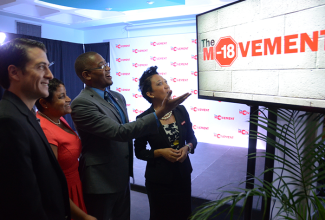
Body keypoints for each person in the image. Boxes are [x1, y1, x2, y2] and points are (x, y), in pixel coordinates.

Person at [71, 51, 191, 220]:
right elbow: (119, 132)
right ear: (86, 75)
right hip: (101, 181)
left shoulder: (117, 97)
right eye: (102, 66)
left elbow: (127, 132)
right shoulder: (81, 103)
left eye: (107, 63)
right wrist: (162, 111)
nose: (108, 68)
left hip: (122, 176)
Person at [0, 38, 70, 219]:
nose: (50, 75)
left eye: (48, 66)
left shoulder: (25, 114)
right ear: (14, 72)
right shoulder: (8, 121)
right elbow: (22, 203)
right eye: (41, 67)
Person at [134, 66, 197, 220]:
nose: (166, 85)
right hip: (159, 180)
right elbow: (139, 152)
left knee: (184, 214)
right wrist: (160, 152)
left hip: (183, 175)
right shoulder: (144, 119)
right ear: (150, 93)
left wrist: (187, 148)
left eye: (166, 82)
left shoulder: (181, 110)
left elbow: (192, 138)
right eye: (160, 83)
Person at [35, 78, 97, 220]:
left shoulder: (57, 118)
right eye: (62, 96)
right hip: (64, 192)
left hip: (75, 185)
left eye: (66, 94)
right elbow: (51, 183)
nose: (69, 99)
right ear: (44, 103)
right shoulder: (46, 131)